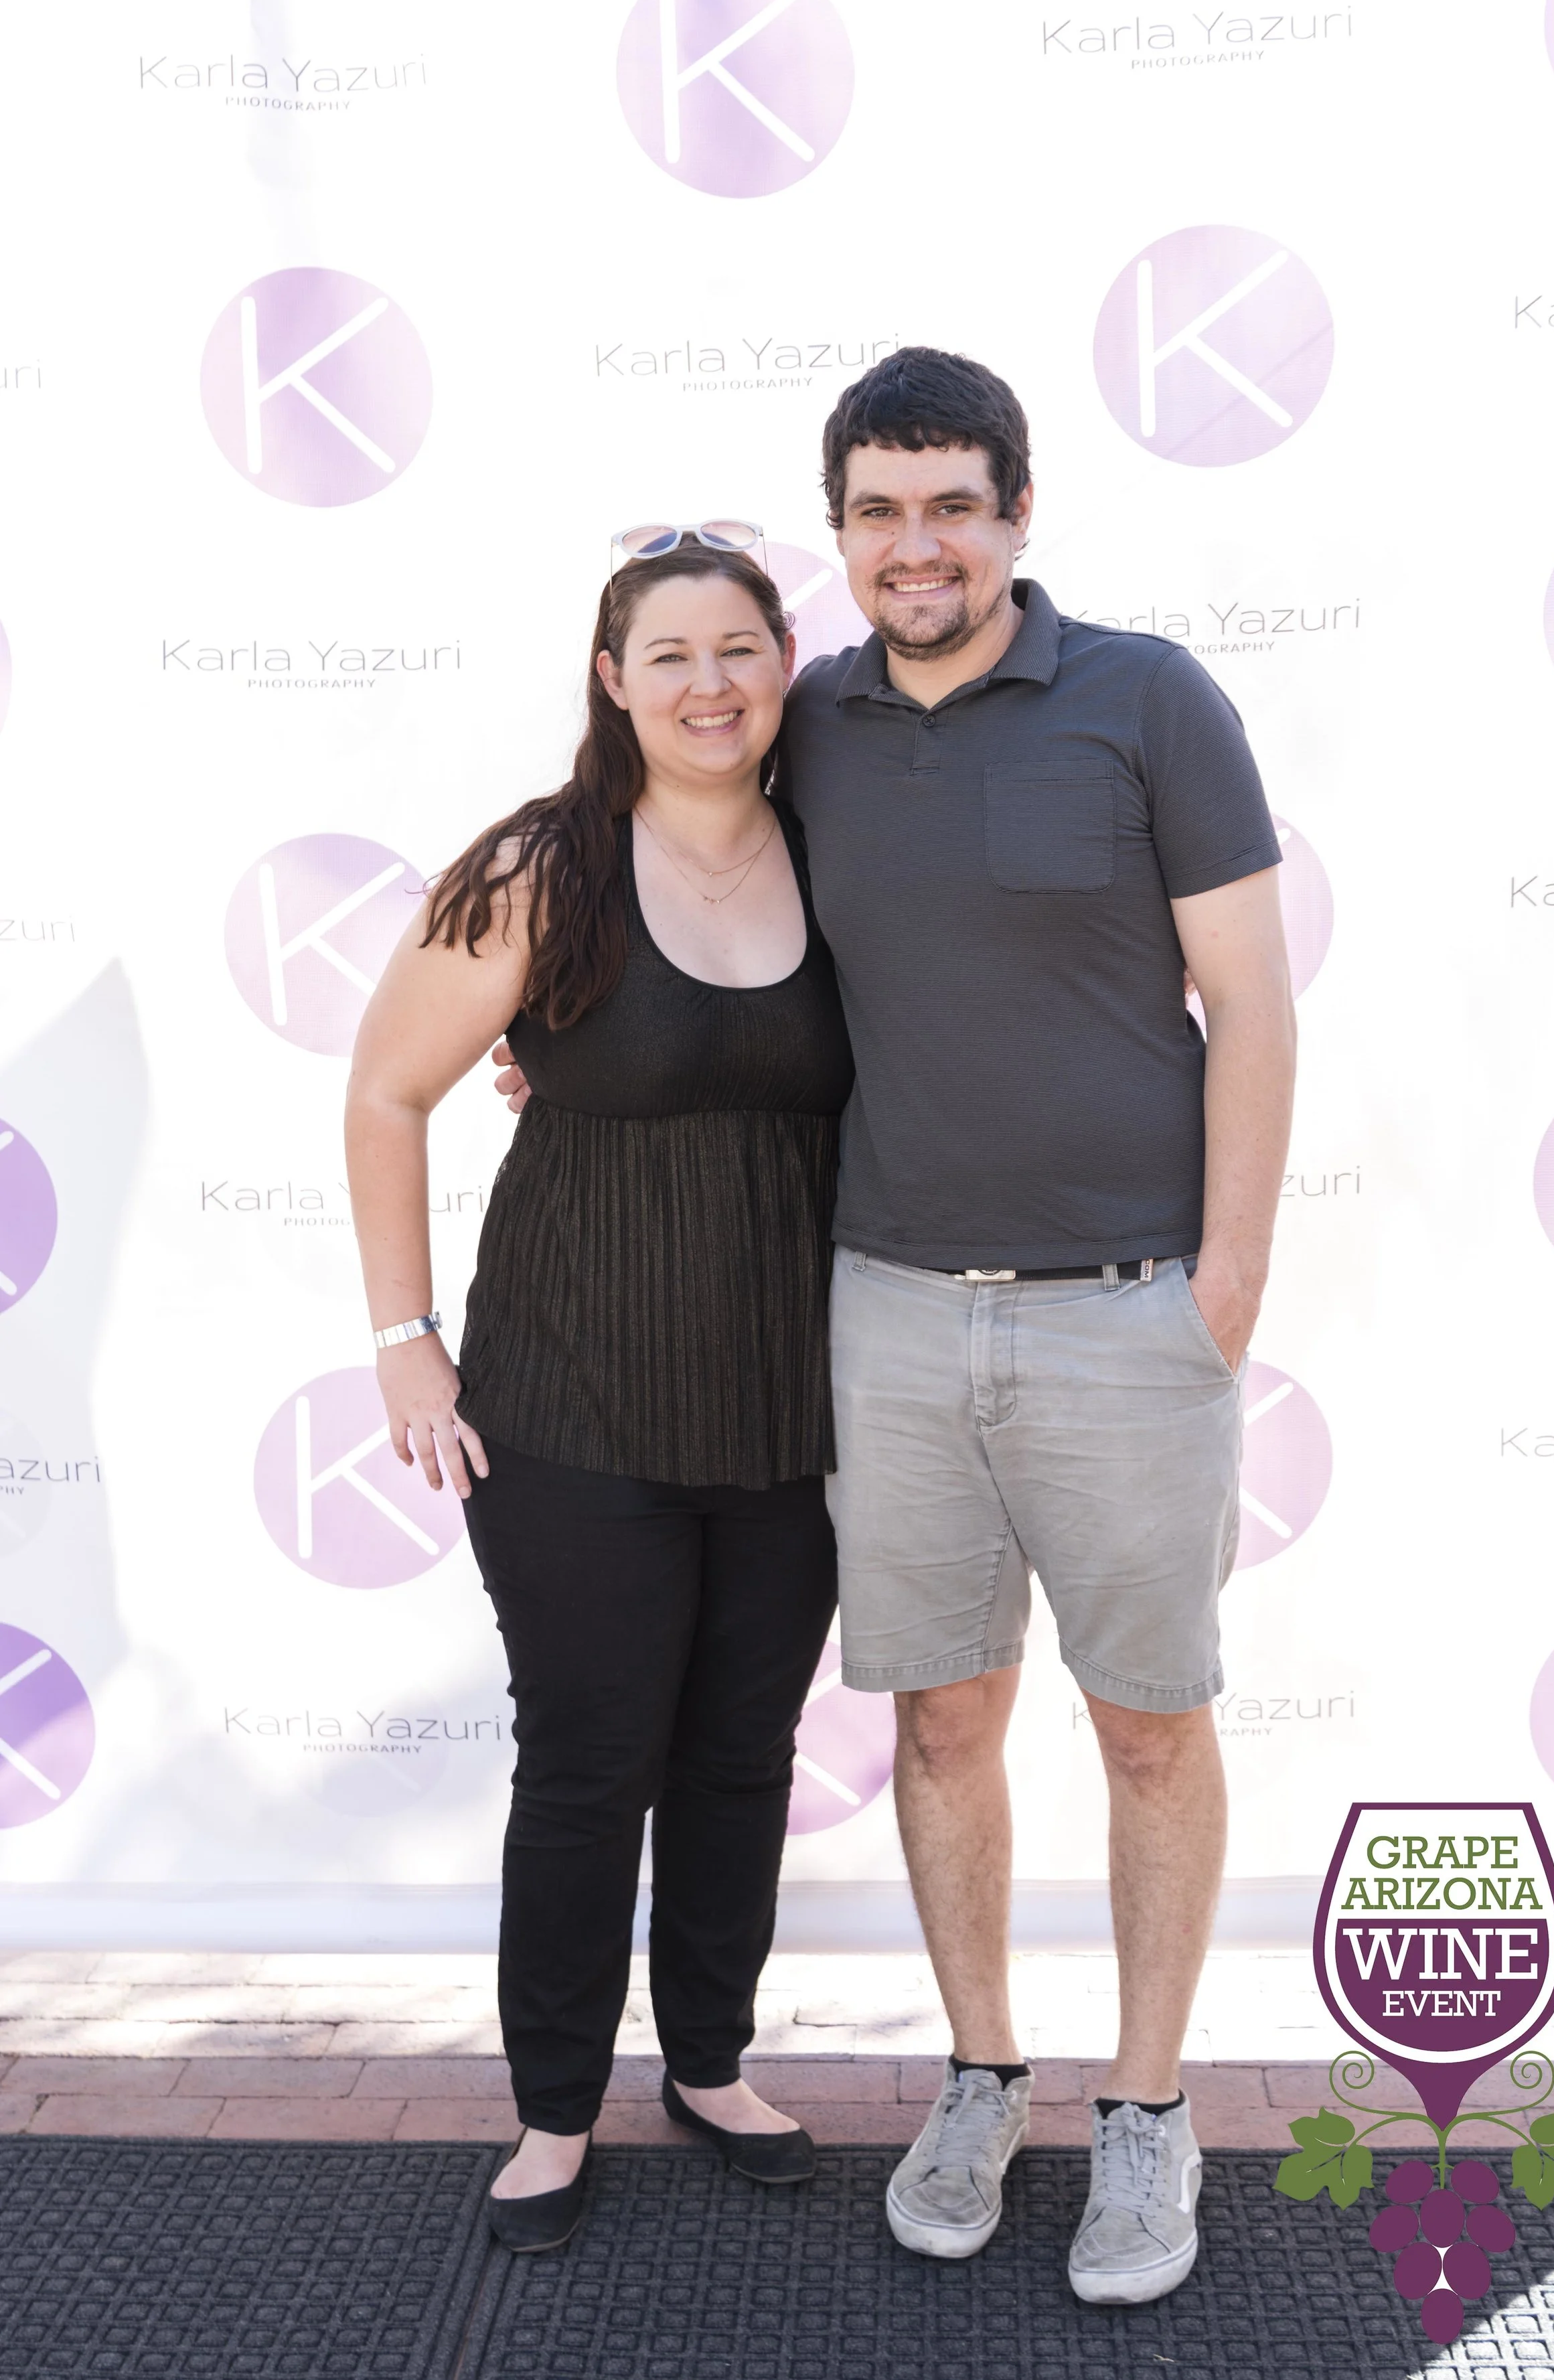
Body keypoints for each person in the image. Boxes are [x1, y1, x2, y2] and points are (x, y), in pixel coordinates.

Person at [495, 348, 1297, 2304]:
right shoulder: (808, 726)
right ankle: (980, 2077)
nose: (915, 543)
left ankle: (1146, 2109)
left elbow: (1255, 1007)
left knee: (1149, 1729)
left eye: (952, 505)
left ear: (1018, 512)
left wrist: (1226, 1283)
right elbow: (681, 887)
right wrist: (556, 1039)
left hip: (1129, 1312)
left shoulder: (1150, 701)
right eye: (878, 511)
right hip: (883, 1316)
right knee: (941, 1719)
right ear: (837, 534)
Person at [345, 533, 852, 2252]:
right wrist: (403, 1335)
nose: (710, 683)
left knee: (740, 1756)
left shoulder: (839, 850)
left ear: (783, 662)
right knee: (586, 1762)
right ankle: (554, 2107)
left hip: (789, 1409)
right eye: (671, 654)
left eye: (740, 647)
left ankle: (708, 2064)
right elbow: (385, 1090)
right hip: (569, 1405)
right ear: (611, 678)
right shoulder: (540, 867)